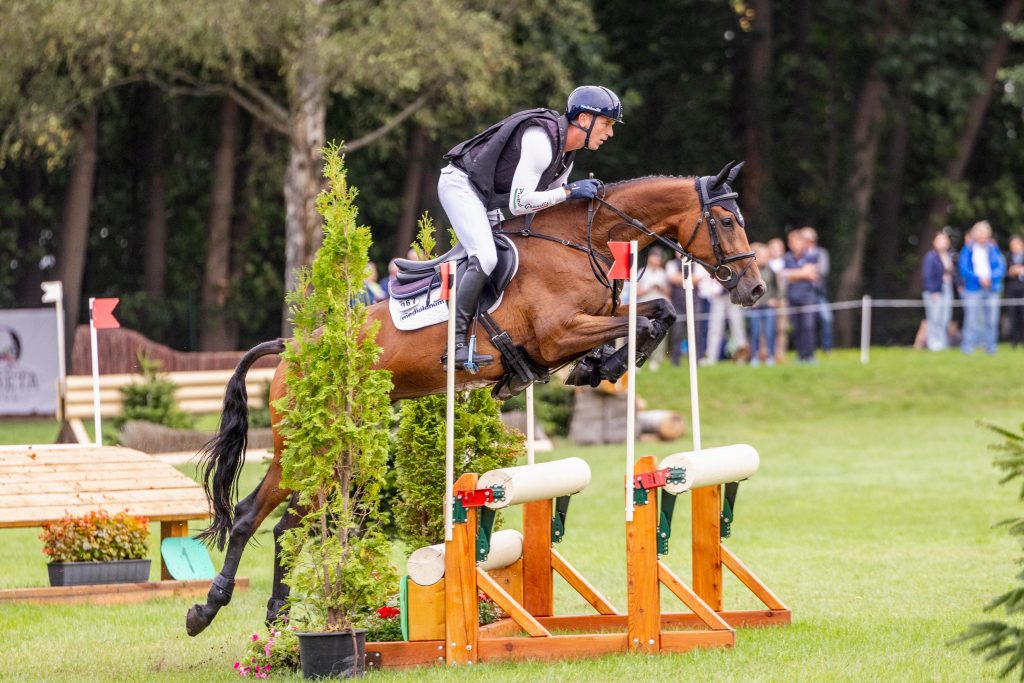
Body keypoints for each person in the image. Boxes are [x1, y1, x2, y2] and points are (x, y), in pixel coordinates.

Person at [438, 85, 623, 369]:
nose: (609, 132)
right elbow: (520, 203)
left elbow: (551, 209)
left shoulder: (566, 154)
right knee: (486, 256)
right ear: (584, 119)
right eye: (607, 123)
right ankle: (456, 344)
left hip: (486, 200)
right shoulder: (541, 139)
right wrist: (570, 192)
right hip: (462, 186)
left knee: (517, 258)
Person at [958, 220, 1006, 354]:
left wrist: (991, 279)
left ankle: (991, 347)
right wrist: (979, 279)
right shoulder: (967, 249)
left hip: (992, 289)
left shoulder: (993, 249)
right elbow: (964, 268)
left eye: (985, 234)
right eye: (980, 233)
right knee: (971, 319)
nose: (982, 237)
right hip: (973, 289)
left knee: (991, 320)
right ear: (974, 235)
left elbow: (1000, 267)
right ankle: (968, 348)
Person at [781, 229, 819, 363]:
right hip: (792, 297)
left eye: (797, 241)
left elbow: (812, 273)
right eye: (791, 241)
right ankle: (800, 355)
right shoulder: (786, 257)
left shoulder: (810, 256)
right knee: (796, 327)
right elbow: (785, 275)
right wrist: (803, 273)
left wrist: (793, 274)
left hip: (808, 297)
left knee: (808, 326)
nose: (794, 244)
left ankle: (810, 355)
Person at [635, 249, 671, 370]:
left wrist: (660, 287)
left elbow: (668, 292)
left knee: (658, 334)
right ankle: (636, 359)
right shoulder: (642, 272)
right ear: (650, 258)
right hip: (645, 308)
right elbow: (637, 292)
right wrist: (649, 287)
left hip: (660, 310)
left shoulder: (662, 273)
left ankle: (656, 360)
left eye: (659, 258)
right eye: (655, 257)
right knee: (642, 334)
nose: (657, 260)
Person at [920, 232, 955, 351]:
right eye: (940, 240)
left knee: (945, 318)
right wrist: (932, 291)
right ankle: (934, 345)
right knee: (934, 318)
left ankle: (943, 344)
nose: (943, 242)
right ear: (934, 242)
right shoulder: (931, 256)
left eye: (944, 240)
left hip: (947, 289)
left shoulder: (949, 256)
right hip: (935, 291)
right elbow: (927, 275)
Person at [746, 243, 779, 366]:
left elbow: (776, 288)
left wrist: (775, 299)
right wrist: (752, 300)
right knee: (755, 332)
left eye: (766, 255)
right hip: (755, 307)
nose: (764, 258)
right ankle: (754, 356)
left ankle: (770, 356)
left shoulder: (771, 270)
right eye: (762, 255)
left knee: (770, 332)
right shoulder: (750, 271)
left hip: (768, 306)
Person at [801, 227, 832, 353]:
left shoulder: (821, 253)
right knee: (807, 324)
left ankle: (827, 347)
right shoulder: (799, 254)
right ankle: (808, 348)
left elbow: (823, 270)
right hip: (804, 293)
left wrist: (805, 271)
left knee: (827, 318)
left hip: (818, 293)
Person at [766, 237, 789, 363]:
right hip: (769, 300)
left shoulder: (786, 262)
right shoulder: (765, 263)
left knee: (782, 328)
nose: (778, 251)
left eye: (780, 249)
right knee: (767, 329)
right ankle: (765, 353)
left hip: (783, 300)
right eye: (775, 249)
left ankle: (780, 353)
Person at [1005, 235, 1024, 347]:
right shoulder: (1008, 257)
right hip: (1011, 290)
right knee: (1013, 316)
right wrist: (1011, 272)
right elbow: (1005, 275)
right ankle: (1014, 341)